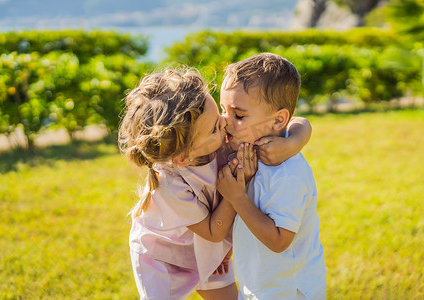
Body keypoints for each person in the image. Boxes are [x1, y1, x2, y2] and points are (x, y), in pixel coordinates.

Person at [118, 68, 312, 300]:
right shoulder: (169, 183)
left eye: (218, 112)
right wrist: (237, 188)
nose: (224, 122)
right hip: (164, 257)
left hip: (209, 250)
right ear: (183, 158)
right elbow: (213, 231)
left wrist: (293, 144)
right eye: (213, 127)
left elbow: (297, 121)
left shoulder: (220, 138)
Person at [217, 53, 326, 300]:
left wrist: (237, 198)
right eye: (224, 109)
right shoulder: (247, 150)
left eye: (239, 115)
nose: (225, 121)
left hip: (288, 290)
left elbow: (279, 240)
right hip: (261, 284)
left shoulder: (287, 174)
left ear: (279, 120)